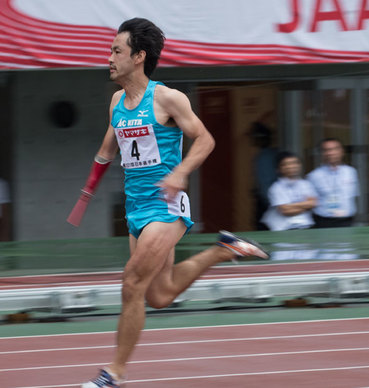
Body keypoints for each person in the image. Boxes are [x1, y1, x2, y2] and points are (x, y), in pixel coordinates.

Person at [80, 18, 268, 388]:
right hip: (136, 208)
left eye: (116, 50)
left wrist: (181, 172)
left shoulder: (168, 98)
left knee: (132, 283)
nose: (109, 57)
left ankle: (113, 373)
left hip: (165, 206)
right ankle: (223, 250)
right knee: (160, 294)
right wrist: (90, 186)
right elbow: (108, 148)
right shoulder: (117, 101)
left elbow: (205, 140)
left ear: (139, 56)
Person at [307, 138, 359, 228]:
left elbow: (353, 196)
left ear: (342, 151)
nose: (331, 153)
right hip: (324, 222)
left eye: (335, 149)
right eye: (326, 150)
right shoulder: (313, 176)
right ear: (322, 153)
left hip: (347, 221)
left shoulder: (351, 172)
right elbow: (310, 203)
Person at [261, 151, 317, 231]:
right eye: (286, 164)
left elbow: (312, 203)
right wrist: (305, 206)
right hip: (284, 230)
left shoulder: (306, 184)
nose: (291, 166)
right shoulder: (276, 188)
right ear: (279, 169)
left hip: (306, 227)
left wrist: (290, 205)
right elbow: (285, 211)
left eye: (294, 163)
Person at [250, 121, 279, 230]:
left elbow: (266, 183)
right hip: (269, 201)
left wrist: (269, 202)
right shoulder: (268, 155)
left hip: (268, 203)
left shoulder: (264, 157)